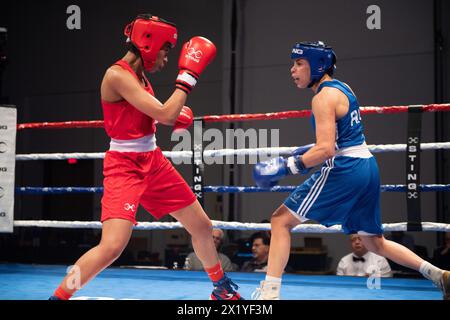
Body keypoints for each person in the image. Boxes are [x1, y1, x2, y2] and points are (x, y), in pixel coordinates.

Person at [49, 14, 242, 300]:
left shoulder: (140, 77)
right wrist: (188, 76)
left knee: (202, 226)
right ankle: (58, 297)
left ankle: (221, 289)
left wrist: (173, 116)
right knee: (112, 246)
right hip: (124, 167)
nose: (167, 56)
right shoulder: (116, 75)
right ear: (149, 43)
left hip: (153, 161)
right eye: (166, 48)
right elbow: (166, 113)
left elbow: (156, 116)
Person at [251, 41, 450, 300]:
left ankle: (269, 295)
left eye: (299, 63)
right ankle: (439, 275)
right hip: (367, 166)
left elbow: (326, 151)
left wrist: (287, 165)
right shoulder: (343, 88)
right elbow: (338, 139)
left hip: (346, 169)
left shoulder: (322, 97)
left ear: (317, 65)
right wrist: (302, 152)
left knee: (280, 220)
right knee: (373, 242)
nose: (293, 69)